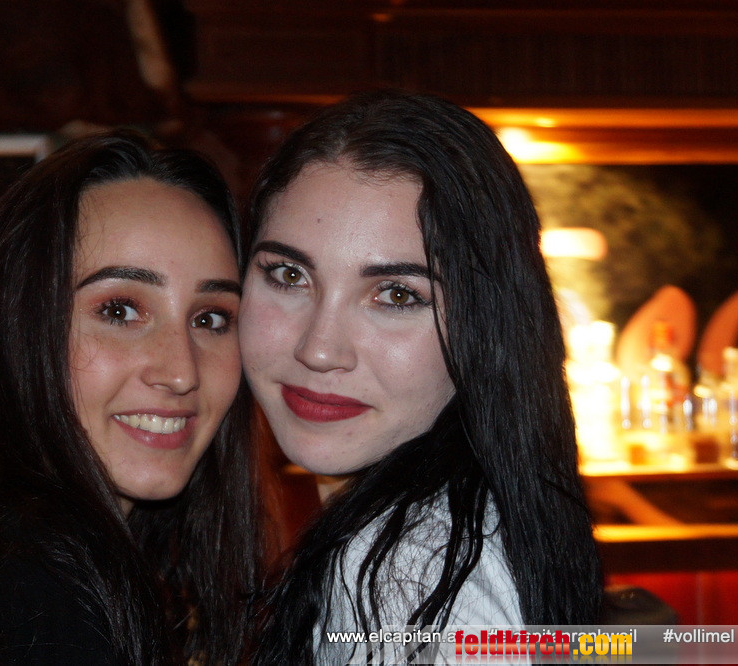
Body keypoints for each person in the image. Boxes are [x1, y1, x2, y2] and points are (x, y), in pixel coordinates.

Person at [0, 131, 262, 665]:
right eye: (119, 311)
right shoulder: (27, 585)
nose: (181, 372)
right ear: (21, 328)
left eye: (211, 318)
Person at [240, 90, 602, 663]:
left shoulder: (402, 577)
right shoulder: (467, 522)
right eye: (288, 274)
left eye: (396, 294)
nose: (319, 350)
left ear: (485, 323)